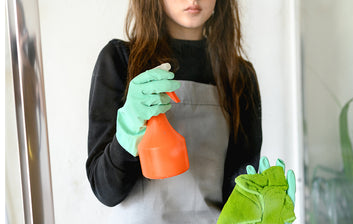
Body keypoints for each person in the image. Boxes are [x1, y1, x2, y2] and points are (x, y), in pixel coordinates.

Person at [86, 0, 263, 223]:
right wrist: (129, 131)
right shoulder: (120, 60)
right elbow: (105, 191)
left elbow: (239, 191)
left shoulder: (239, 76)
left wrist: (261, 209)